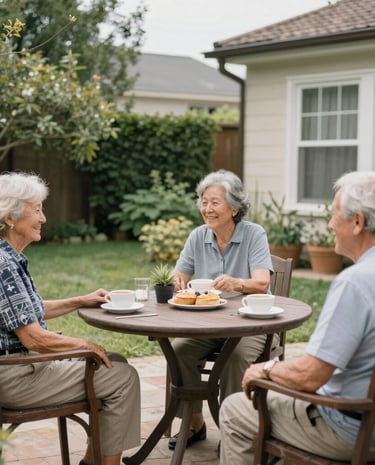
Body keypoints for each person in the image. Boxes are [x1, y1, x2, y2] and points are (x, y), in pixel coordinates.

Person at [219, 171, 375, 464]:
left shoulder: (355, 283)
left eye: (333, 215)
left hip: (351, 427)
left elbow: (310, 375)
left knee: (235, 410)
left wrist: (264, 371)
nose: (330, 224)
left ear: (358, 223)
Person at [0, 172, 140, 465]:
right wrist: (86, 346)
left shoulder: (9, 257)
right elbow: (33, 337)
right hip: (14, 376)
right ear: (10, 217)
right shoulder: (3, 265)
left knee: (117, 362)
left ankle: (92, 460)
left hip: (16, 367)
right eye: (37, 209)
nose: (44, 218)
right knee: (123, 377)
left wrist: (80, 300)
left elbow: (25, 312)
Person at [168, 169, 273, 450]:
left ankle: (234, 431)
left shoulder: (253, 234)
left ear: (235, 207)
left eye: (215, 202)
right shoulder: (197, 236)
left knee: (234, 358)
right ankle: (194, 422)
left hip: (251, 323)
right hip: (210, 324)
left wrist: (238, 283)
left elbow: (263, 283)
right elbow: (178, 277)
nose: (207, 208)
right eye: (204, 201)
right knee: (179, 351)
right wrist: (178, 283)